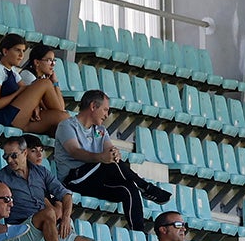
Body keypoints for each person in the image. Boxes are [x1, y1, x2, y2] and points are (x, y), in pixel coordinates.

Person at [53, 89, 169, 227]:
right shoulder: (67, 125)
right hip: (74, 179)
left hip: (94, 181)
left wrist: (115, 153)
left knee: (129, 188)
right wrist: (102, 157)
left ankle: (138, 232)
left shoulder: (100, 130)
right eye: (105, 110)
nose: (107, 115)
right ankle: (145, 187)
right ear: (93, 106)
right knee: (110, 163)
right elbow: (75, 152)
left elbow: (110, 151)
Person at [0, 35, 68, 135]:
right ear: (5, 51)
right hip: (4, 118)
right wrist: (17, 93)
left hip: (18, 117)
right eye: (17, 50)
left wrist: (35, 106)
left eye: (23, 51)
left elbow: (25, 89)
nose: (21, 55)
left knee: (62, 117)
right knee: (45, 83)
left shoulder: (13, 71)